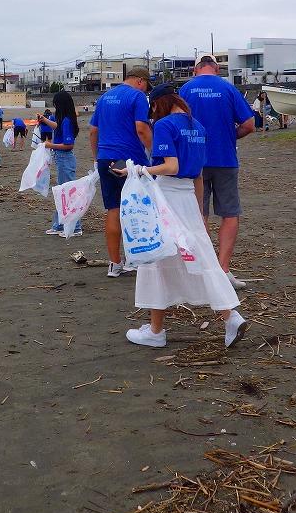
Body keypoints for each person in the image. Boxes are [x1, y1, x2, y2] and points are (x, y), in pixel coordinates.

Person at [117, 84, 248, 349]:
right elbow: (198, 174)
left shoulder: (165, 125)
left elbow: (171, 166)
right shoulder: (198, 127)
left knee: (155, 255)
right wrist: (200, 213)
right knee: (201, 256)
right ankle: (230, 315)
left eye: (152, 108)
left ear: (158, 104)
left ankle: (155, 332)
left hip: (168, 195)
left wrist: (139, 170)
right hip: (189, 196)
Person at [179, 54, 256, 286]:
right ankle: (223, 269)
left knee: (198, 213)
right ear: (217, 68)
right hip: (224, 157)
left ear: (195, 69)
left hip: (194, 160)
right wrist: (230, 136)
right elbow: (249, 124)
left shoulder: (185, 90)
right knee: (229, 212)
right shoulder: (228, 88)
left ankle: (203, 268)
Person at [89, 66, 153, 278]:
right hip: (129, 161)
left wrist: (97, 157)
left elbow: (93, 130)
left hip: (106, 158)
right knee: (136, 210)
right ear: (141, 81)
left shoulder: (105, 97)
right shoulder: (137, 97)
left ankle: (114, 263)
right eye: (146, 87)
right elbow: (141, 129)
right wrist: (155, 154)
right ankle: (136, 260)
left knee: (113, 209)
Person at [43, 91, 82, 237]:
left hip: (65, 159)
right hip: (61, 159)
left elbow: (68, 145)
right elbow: (56, 127)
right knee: (61, 193)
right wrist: (44, 120)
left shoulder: (67, 121)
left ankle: (75, 227)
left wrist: (50, 145)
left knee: (68, 194)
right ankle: (59, 225)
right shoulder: (64, 120)